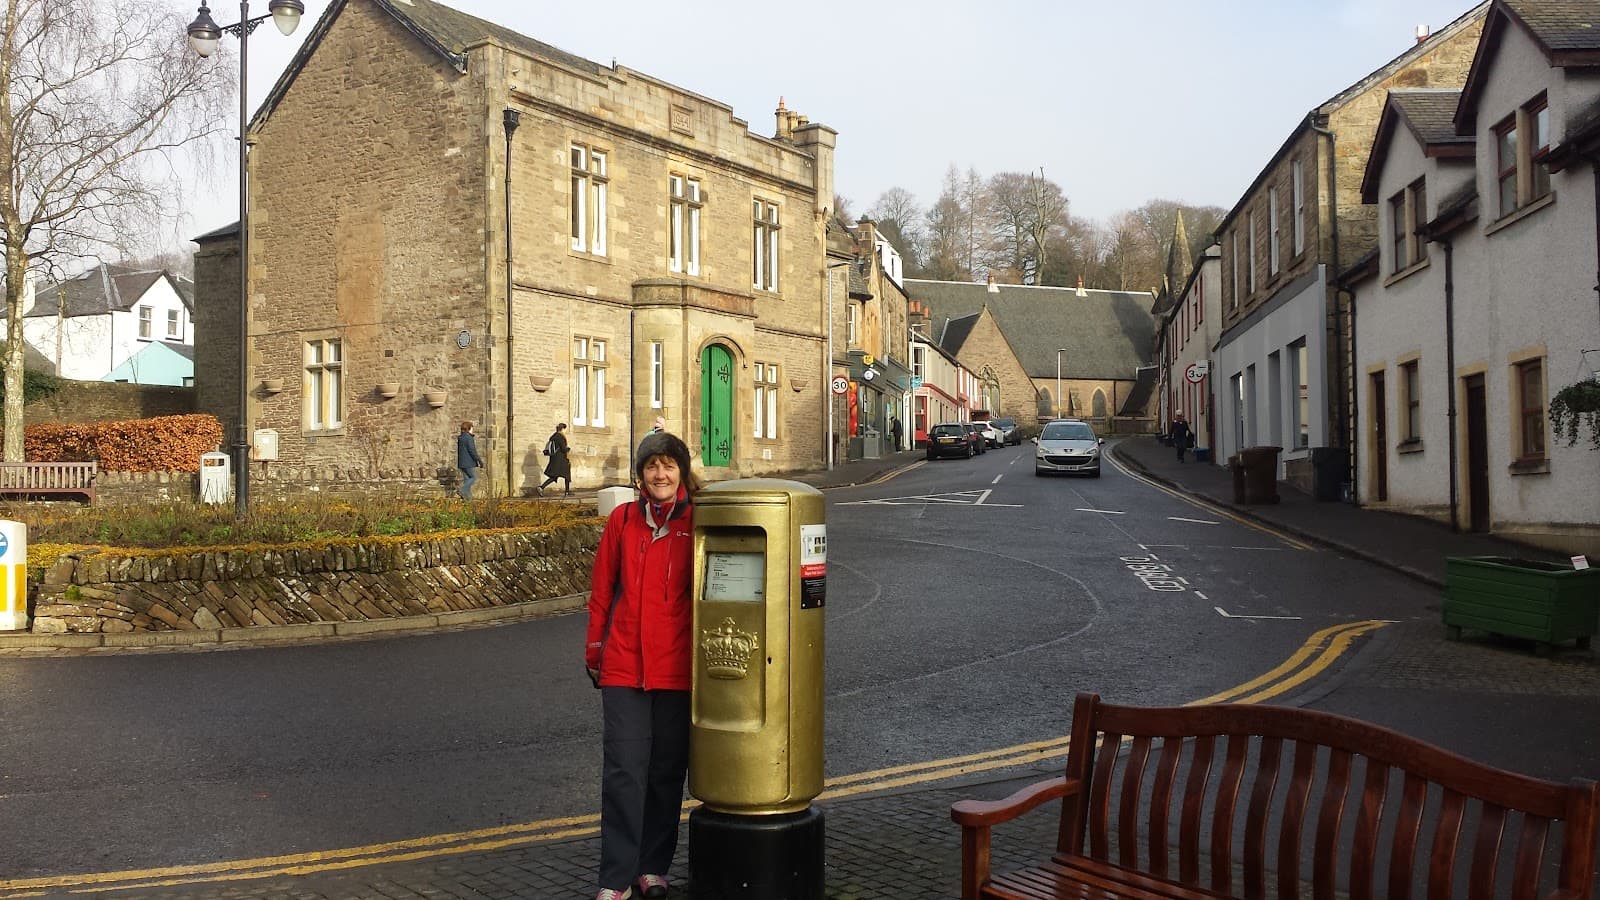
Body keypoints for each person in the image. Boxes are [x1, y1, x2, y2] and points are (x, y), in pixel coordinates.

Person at [585, 432, 702, 900]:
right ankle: (616, 878)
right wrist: (595, 648)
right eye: (652, 466)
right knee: (624, 772)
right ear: (640, 475)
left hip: (677, 668)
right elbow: (601, 591)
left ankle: (652, 867)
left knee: (665, 772)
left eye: (669, 465)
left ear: (681, 471)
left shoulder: (699, 521)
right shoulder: (623, 520)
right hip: (624, 667)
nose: (660, 474)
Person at [538, 423, 571, 496]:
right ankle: (567, 491)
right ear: (563, 429)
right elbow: (563, 448)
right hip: (561, 459)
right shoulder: (560, 437)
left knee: (555, 476)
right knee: (566, 474)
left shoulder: (553, 436)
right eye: (565, 429)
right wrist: (568, 449)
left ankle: (541, 487)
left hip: (554, 459)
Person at [455, 421, 482, 499]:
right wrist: (479, 460)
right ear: (469, 428)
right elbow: (472, 450)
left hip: (461, 462)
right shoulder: (469, 438)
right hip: (469, 462)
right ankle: (462, 490)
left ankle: (468, 499)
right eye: (472, 428)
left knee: (467, 481)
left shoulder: (461, 438)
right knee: (473, 478)